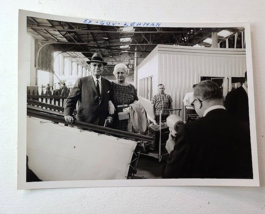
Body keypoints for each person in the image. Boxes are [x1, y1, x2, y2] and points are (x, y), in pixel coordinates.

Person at [163, 80, 253, 179]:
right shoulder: (245, 127)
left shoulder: (189, 130)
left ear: (198, 102)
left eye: (193, 103)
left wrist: (172, 152)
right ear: (222, 98)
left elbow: (170, 174)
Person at [64, 53, 113, 126]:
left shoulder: (107, 84)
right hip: (84, 122)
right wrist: (68, 114)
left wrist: (110, 116)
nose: (97, 67)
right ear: (90, 67)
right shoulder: (81, 81)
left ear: (103, 68)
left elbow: (110, 102)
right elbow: (71, 99)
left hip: (102, 124)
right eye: (94, 65)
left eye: (100, 65)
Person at [111, 63, 138, 131]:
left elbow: (136, 100)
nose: (120, 75)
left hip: (128, 119)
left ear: (126, 73)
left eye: (122, 73)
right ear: (114, 74)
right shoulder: (110, 86)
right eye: (118, 73)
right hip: (114, 119)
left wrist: (131, 107)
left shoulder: (131, 87)